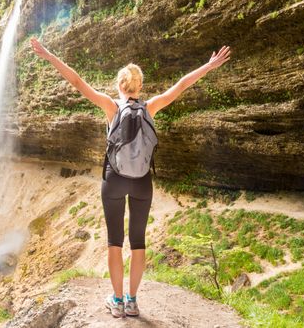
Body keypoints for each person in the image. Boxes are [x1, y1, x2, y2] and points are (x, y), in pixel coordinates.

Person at [30, 37, 231, 318]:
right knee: (138, 242)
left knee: (114, 241)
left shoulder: (111, 107)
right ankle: (133, 301)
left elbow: (77, 82)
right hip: (142, 182)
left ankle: (116, 301)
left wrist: (49, 55)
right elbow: (182, 85)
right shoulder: (151, 107)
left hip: (113, 179)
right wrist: (208, 66)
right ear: (140, 87)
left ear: (119, 86)